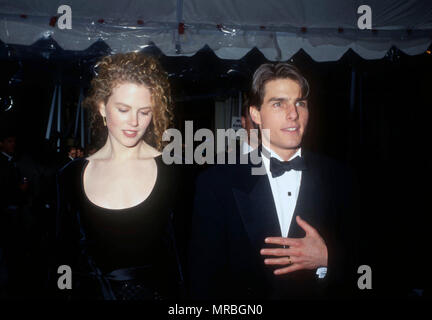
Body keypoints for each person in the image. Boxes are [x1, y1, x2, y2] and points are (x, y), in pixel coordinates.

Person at [188, 62, 360, 299]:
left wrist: (328, 258)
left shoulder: (342, 178)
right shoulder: (216, 183)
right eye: (278, 104)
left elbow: (373, 267)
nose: (293, 114)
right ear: (255, 114)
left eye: (300, 103)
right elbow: (202, 282)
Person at [54, 52, 185, 300]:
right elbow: (63, 258)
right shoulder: (69, 176)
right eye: (123, 109)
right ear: (103, 107)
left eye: (145, 112)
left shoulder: (175, 173)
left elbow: (187, 263)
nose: (134, 122)